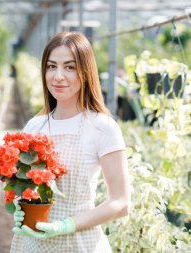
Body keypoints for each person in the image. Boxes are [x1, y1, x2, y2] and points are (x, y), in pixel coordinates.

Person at [10, 32, 131, 252]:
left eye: (69, 67)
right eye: (51, 66)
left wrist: (67, 225)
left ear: (85, 72)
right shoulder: (34, 127)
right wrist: (20, 208)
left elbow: (121, 202)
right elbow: (25, 187)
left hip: (80, 244)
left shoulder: (102, 127)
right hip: (32, 244)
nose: (58, 76)